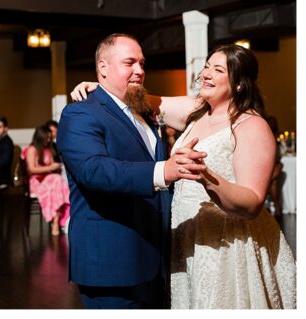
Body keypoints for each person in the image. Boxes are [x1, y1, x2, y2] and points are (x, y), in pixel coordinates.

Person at [70, 43, 296, 308]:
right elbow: (145, 99)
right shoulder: (196, 111)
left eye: (218, 69)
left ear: (238, 84)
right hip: (189, 240)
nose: (206, 74)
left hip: (228, 242)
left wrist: (206, 178)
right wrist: (102, 86)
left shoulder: (251, 125)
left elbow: (254, 202)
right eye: (207, 66)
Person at [58, 33, 207, 309]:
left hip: (155, 259)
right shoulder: (80, 114)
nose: (139, 70)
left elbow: (203, 108)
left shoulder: (145, 113)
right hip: (112, 264)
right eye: (129, 63)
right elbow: (94, 170)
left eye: (142, 63)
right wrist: (165, 170)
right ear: (103, 67)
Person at [24, 125, 70, 236]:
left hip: (49, 179)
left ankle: (58, 219)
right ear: (40, 137)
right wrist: (50, 168)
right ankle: (56, 222)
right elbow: (31, 169)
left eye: (50, 138)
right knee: (57, 181)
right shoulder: (32, 149)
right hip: (36, 181)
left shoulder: (48, 150)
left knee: (59, 182)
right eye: (47, 138)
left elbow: (51, 165)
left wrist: (55, 166)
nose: (49, 140)